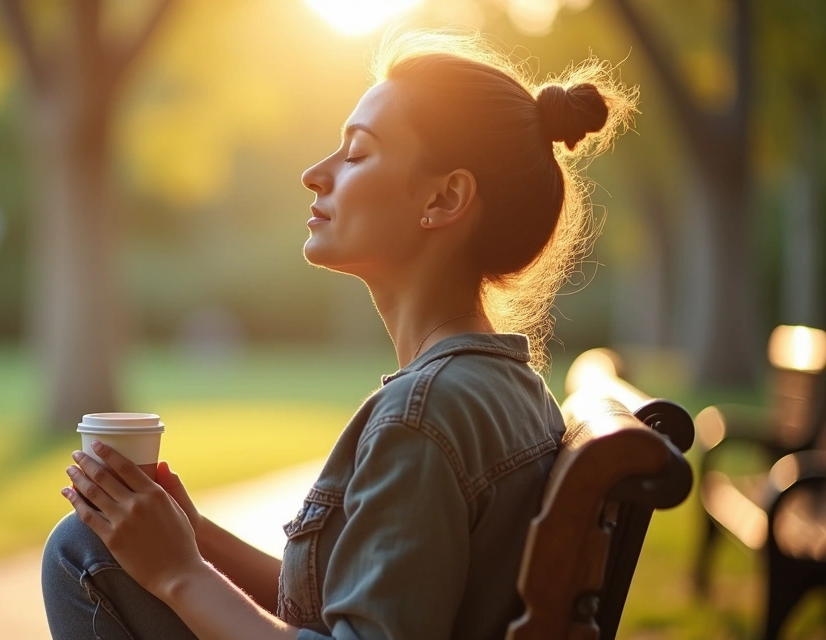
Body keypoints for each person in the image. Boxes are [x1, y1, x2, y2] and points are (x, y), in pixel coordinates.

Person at [41, 29, 637, 640]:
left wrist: (180, 574)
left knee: (80, 554)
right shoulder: (502, 387)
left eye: (356, 153)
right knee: (99, 542)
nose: (313, 174)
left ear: (444, 197)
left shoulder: (423, 417)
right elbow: (347, 603)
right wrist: (194, 535)